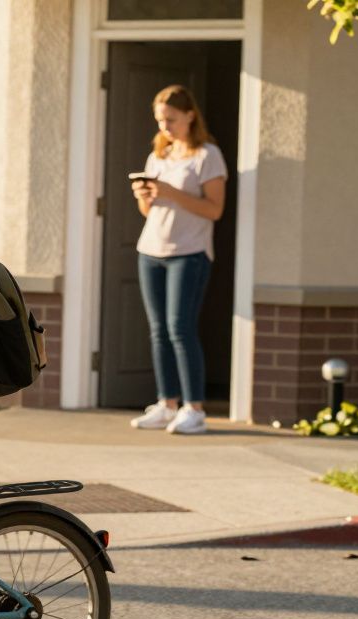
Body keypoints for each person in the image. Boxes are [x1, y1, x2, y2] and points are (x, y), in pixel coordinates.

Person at [129, 85, 228, 435]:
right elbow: (148, 210)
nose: (165, 126)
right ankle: (167, 403)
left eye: (171, 119)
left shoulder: (207, 155)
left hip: (190, 254)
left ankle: (194, 409)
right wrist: (145, 195)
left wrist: (172, 192)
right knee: (158, 332)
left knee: (180, 330)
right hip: (151, 251)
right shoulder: (159, 155)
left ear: (189, 115)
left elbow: (214, 209)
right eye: (160, 120)